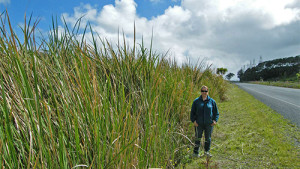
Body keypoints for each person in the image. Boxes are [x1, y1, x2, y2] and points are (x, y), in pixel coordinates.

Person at [190, 85, 219, 157]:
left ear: (208, 92)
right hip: (198, 124)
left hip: (209, 124)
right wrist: (194, 121)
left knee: (208, 138)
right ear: (200, 92)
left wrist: (215, 120)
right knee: (198, 138)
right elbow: (192, 113)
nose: (204, 92)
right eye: (202, 91)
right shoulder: (196, 101)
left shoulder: (212, 101)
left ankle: (207, 152)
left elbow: (216, 113)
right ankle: (195, 153)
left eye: (205, 91)